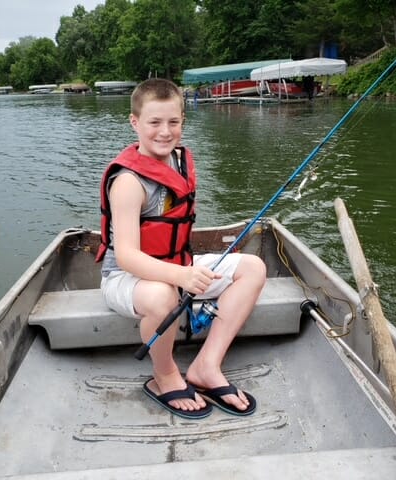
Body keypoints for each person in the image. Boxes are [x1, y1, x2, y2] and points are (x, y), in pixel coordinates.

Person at [96, 78, 266, 419]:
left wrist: (184, 272)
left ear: (183, 122)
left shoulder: (181, 162)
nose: (164, 131)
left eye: (173, 122)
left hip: (178, 266)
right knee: (163, 297)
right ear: (135, 123)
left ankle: (207, 365)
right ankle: (165, 375)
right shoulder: (128, 183)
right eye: (154, 122)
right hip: (125, 278)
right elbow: (127, 256)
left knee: (253, 268)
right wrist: (181, 275)